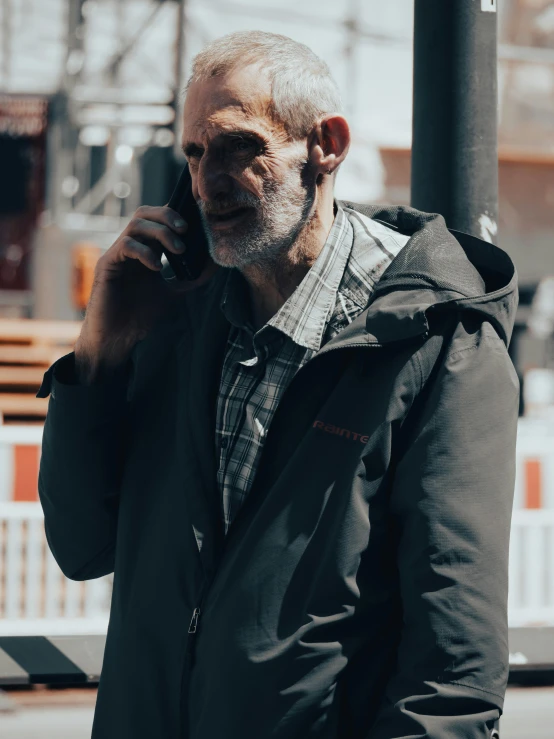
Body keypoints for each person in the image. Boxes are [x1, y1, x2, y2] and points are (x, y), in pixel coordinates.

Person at [37, 30, 519, 739]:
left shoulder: (437, 339)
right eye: (194, 155)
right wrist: (101, 349)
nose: (205, 184)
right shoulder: (180, 317)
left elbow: (452, 678)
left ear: (326, 144)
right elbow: (81, 544)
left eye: (237, 146)